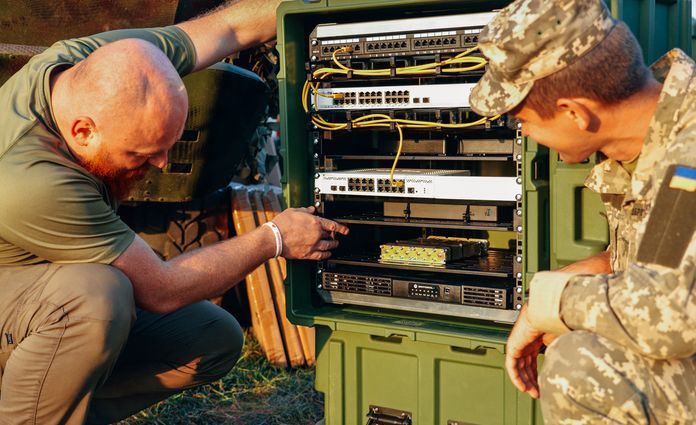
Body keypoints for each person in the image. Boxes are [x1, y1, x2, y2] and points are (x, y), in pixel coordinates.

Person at [0, 0, 349, 423]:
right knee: (95, 297)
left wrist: (323, 10)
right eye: (144, 152)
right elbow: (162, 290)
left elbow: (229, 28)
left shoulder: (89, 65)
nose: (163, 163)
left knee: (210, 337)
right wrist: (273, 237)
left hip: (33, 286)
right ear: (83, 131)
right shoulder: (32, 180)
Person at [469, 0, 695, 422]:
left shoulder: (689, 153)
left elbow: (668, 314)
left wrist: (548, 301)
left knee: (581, 365)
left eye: (523, 121)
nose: (526, 133)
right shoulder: (648, 134)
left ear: (575, 112)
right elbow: (660, 259)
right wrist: (555, 295)